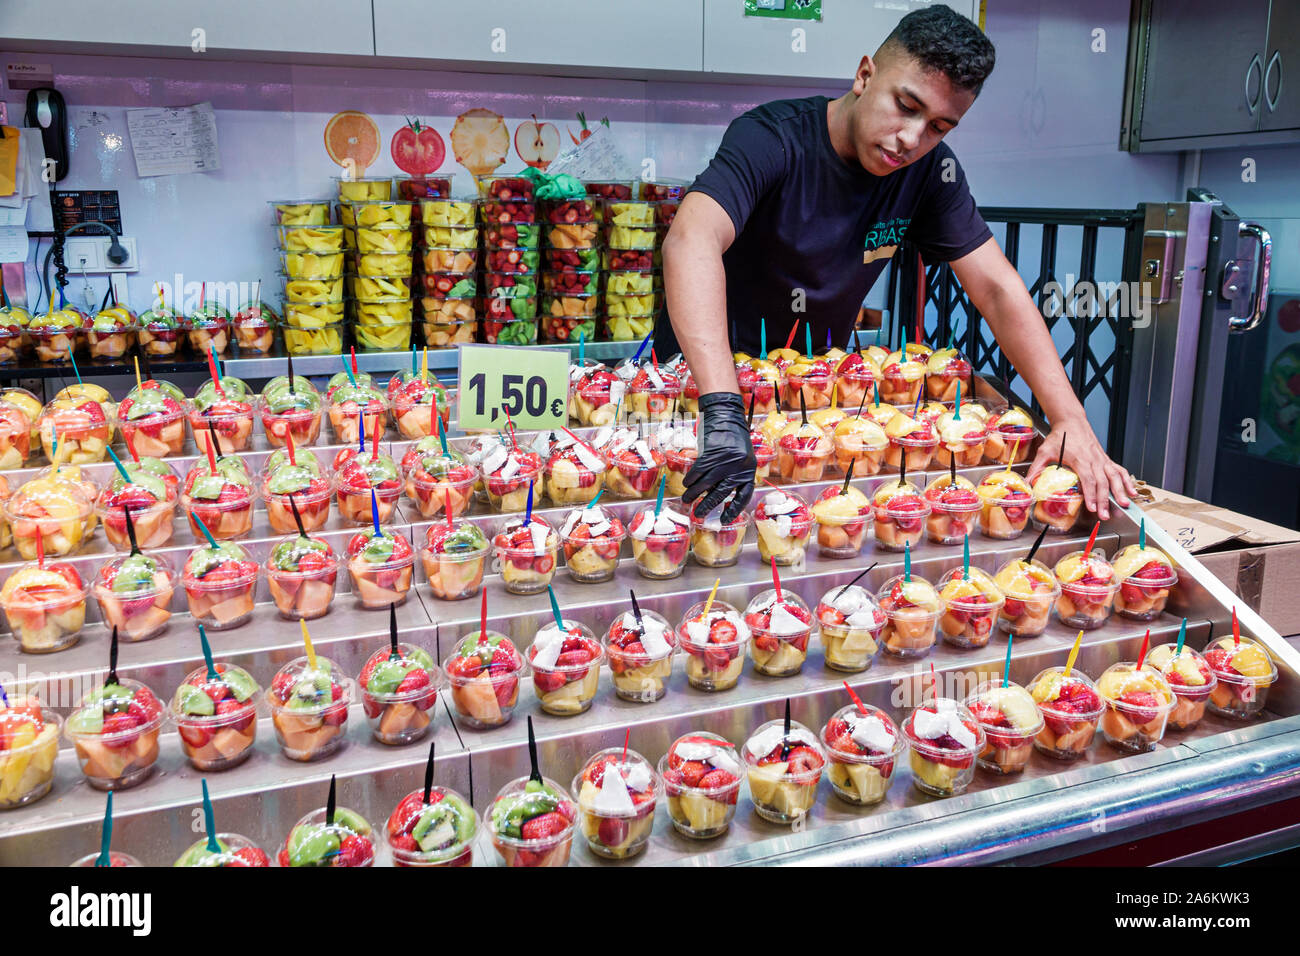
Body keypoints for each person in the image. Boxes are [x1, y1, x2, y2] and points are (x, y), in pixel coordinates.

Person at [660, 3, 1138, 524]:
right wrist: (724, 412)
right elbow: (691, 240)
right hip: (701, 392)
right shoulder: (772, 138)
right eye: (906, 105)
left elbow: (997, 288)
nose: (912, 139)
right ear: (865, 75)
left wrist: (1070, 417)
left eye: (938, 126)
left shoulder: (931, 172)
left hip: (815, 400)